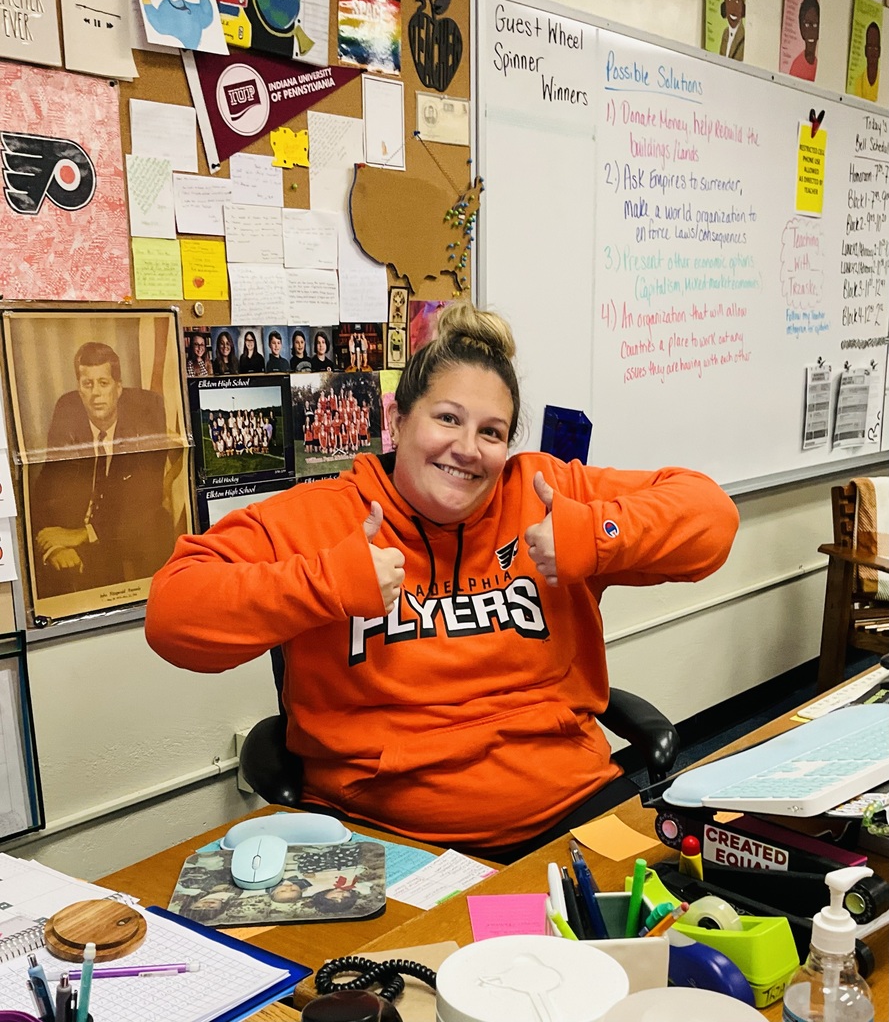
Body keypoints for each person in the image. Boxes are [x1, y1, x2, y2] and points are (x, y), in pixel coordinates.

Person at [146, 303, 739, 862]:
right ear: (396, 419)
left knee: (669, 943)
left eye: (491, 431)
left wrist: (596, 534)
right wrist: (330, 580)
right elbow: (173, 615)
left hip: (571, 808)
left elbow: (712, 519)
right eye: (448, 418)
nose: (467, 449)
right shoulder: (322, 516)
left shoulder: (541, 493)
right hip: (388, 837)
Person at [32, 342, 173, 598]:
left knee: (156, 528)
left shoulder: (145, 417)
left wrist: (82, 535)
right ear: (79, 389)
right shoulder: (67, 415)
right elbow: (43, 491)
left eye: (103, 383)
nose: (95, 393)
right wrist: (54, 548)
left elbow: (144, 500)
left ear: (118, 389)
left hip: (125, 531)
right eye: (88, 384)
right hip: (77, 531)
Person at [789, 0, 819, 82]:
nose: (811, 30)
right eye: (807, 24)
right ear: (801, 28)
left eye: (815, 24)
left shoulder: (819, 63)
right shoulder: (797, 66)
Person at [854, 21, 881, 101]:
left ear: (879, 52)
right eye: (870, 47)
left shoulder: (883, 85)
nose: (873, 52)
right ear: (865, 51)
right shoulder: (858, 82)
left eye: (876, 48)